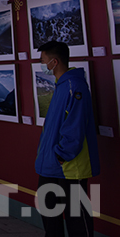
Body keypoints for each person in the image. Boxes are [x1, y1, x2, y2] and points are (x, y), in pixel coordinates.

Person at [35, 41, 99, 236]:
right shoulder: (61, 85)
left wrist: (62, 155)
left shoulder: (75, 86)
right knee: (49, 211)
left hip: (69, 165)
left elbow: (75, 127)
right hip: (50, 163)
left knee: (76, 217)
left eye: (43, 60)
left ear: (54, 62)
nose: (41, 65)